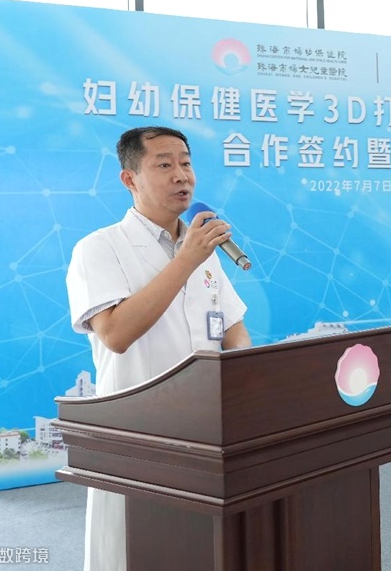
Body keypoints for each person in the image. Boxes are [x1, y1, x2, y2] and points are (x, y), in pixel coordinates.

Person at [65, 126, 252, 571]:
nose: (181, 175)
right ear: (129, 179)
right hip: (139, 429)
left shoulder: (203, 248)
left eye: (186, 163)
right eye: (164, 165)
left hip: (207, 425)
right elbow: (116, 334)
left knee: (200, 547)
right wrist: (186, 260)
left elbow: (234, 329)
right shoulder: (99, 248)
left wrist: (243, 374)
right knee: (134, 548)